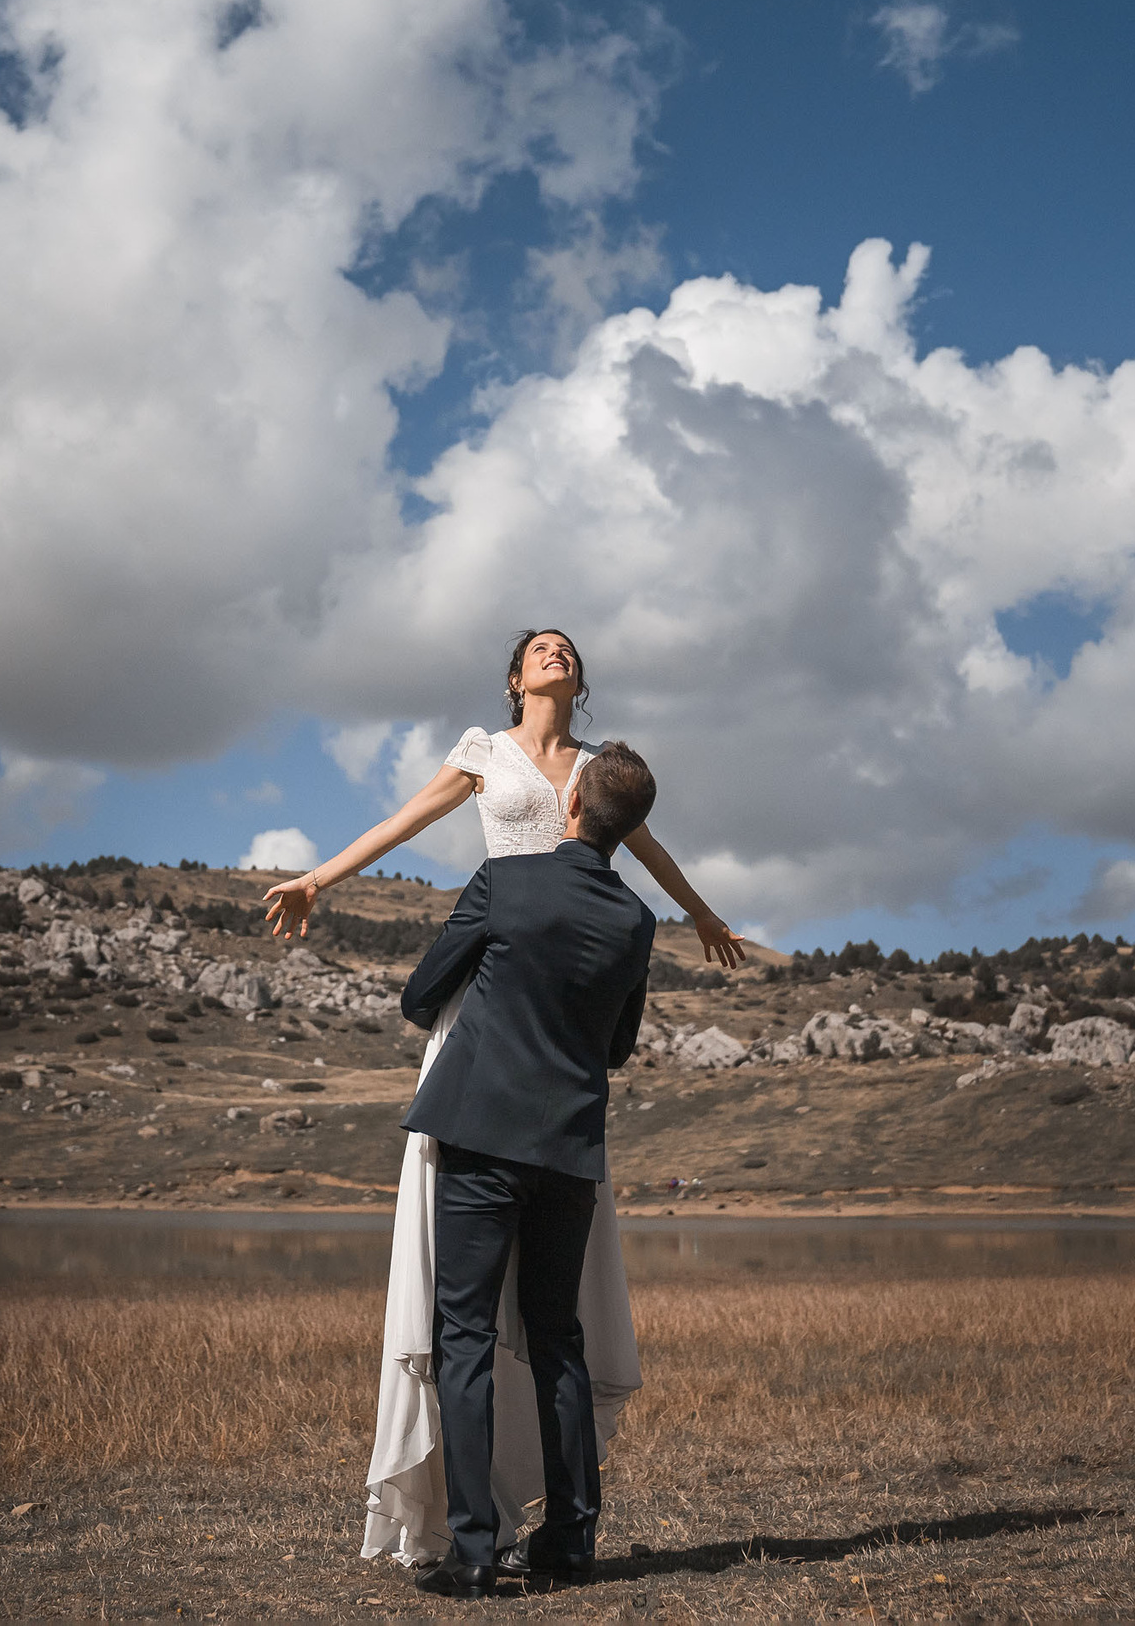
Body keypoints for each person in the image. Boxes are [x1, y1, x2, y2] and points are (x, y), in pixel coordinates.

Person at [259, 629, 746, 1569]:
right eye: (540, 649)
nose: (556, 654)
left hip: (551, 1015)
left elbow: (645, 845)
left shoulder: (597, 774)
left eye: (568, 648)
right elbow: (404, 821)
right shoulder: (484, 751)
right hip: (491, 1013)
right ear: (517, 677)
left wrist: (700, 911)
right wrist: (319, 877)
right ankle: (507, 1521)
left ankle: (490, 1533)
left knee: (515, 1312)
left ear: (580, 681)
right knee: (496, 1305)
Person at [395, 743, 657, 1597]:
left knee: (463, 1337)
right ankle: (571, 1541)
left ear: (571, 799)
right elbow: (616, 1045)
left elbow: (421, 991)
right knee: (558, 1338)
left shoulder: (503, 882)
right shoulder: (636, 921)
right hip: (570, 1152)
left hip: (480, 1136)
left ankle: (474, 1551)